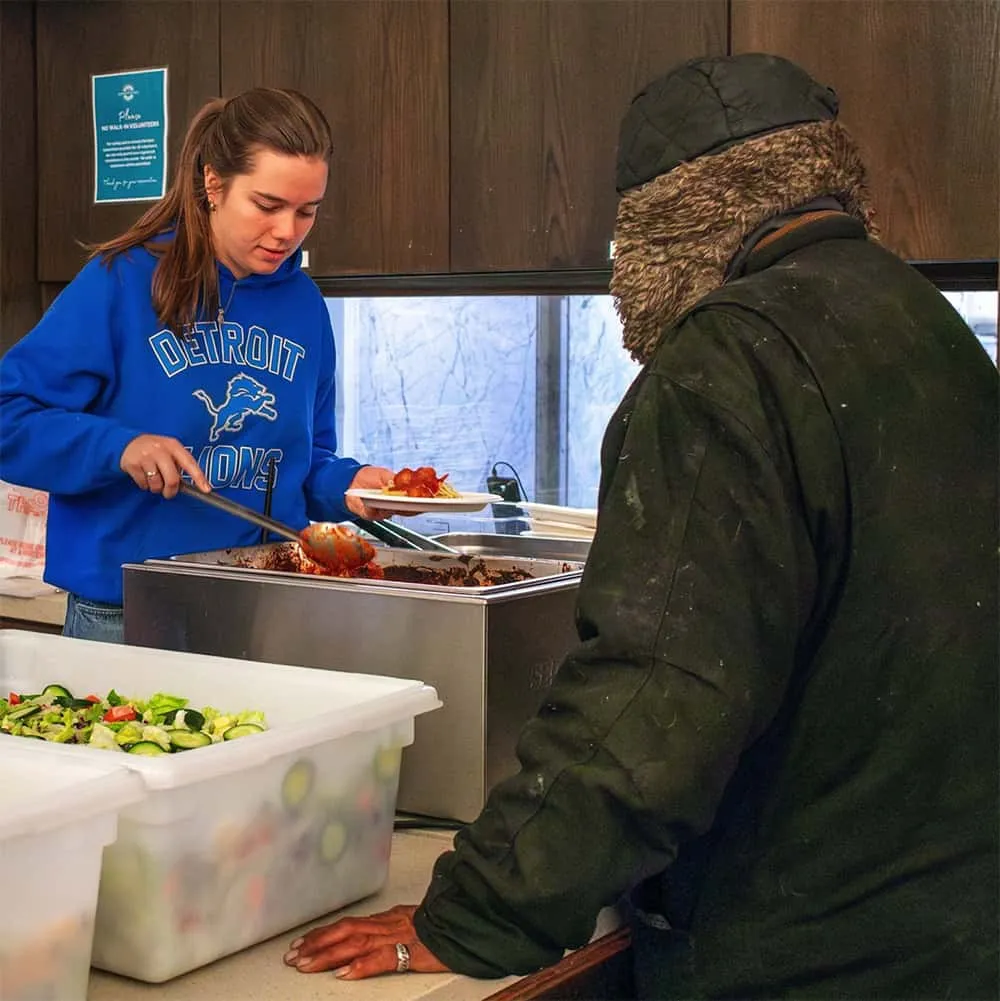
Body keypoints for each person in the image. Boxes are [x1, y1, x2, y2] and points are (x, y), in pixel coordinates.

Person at [282, 53, 999, 998]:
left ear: (670, 222)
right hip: (952, 927)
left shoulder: (728, 357)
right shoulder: (926, 325)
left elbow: (656, 693)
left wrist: (480, 911)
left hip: (806, 947)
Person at [0, 87, 395, 644]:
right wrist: (119, 448)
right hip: (128, 612)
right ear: (214, 184)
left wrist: (350, 485)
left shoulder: (304, 305)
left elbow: (301, 464)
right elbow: (8, 418)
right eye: (267, 205)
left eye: (307, 211)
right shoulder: (121, 281)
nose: (288, 231)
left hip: (261, 604)